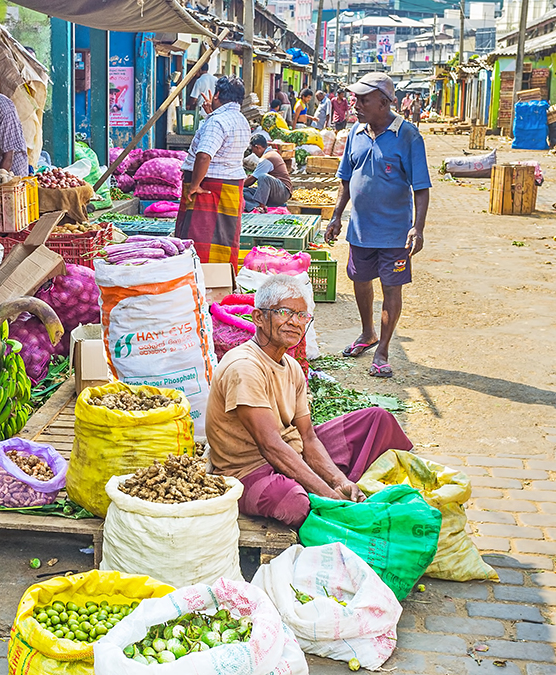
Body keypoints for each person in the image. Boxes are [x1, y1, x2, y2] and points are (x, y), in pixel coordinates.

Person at [206, 275, 413, 528]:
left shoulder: (291, 366)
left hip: (292, 452)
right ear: (258, 318)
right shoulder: (244, 367)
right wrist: (328, 493)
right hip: (249, 470)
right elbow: (270, 446)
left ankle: (342, 488)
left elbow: (308, 437)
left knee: (378, 420)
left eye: (302, 316)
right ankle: (325, 499)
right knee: (291, 502)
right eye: (285, 312)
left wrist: (339, 482)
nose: (295, 322)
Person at [326, 71, 431, 379]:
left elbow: (421, 187)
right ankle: (367, 333)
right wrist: (335, 215)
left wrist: (418, 227)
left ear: (384, 103)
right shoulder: (355, 134)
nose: (355, 105)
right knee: (360, 281)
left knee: (391, 288)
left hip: (394, 232)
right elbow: (346, 179)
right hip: (360, 229)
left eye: (363, 100)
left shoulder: (408, 136)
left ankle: (383, 349)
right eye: (355, 99)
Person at [174, 76, 251, 265]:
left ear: (217, 94)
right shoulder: (241, 120)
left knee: (198, 238)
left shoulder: (217, 122)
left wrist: (194, 185)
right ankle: (223, 278)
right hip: (231, 185)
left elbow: (204, 156)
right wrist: (211, 114)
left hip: (209, 185)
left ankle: (201, 278)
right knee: (225, 237)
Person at [243, 135, 292, 211]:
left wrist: (240, 183)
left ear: (258, 147)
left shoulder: (267, 158)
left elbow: (252, 180)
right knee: (244, 192)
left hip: (282, 193)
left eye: (253, 150)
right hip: (275, 191)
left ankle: (260, 206)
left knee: (263, 177)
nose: (253, 153)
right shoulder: (271, 153)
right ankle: (256, 205)